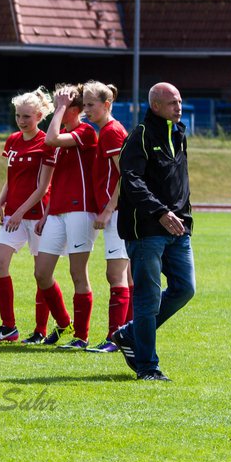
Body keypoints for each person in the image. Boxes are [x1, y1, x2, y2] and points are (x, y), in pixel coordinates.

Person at [110, 83, 195, 382]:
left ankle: (130, 334)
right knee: (148, 298)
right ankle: (148, 367)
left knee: (185, 288)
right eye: (172, 102)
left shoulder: (178, 133)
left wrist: (184, 216)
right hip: (147, 229)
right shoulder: (141, 135)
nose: (179, 106)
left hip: (179, 227)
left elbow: (179, 183)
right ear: (156, 105)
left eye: (180, 101)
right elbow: (131, 181)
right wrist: (160, 212)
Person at [0, 89, 55, 344]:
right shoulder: (12, 140)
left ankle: (40, 330)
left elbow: (43, 187)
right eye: (18, 116)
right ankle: (8, 327)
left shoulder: (47, 142)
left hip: (37, 216)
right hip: (13, 214)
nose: (21, 121)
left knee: (41, 274)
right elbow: (10, 179)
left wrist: (21, 212)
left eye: (26, 116)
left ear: (39, 116)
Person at [33, 84, 97, 348]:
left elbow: (51, 139)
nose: (57, 106)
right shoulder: (59, 135)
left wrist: (59, 108)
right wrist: (46, 213)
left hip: (81, 210)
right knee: (41, 273)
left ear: (75, 108)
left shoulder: (86, 131)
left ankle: (81, 336)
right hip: (57, 212)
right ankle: (63, 322)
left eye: (64, 102)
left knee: (77, 272)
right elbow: (53, 179)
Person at [83, 81, 133, 353]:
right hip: (120, 211)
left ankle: (115, 338)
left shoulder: (112, 132)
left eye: (91, 105)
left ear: (107, 105)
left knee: (115, 274)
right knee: (126, 275)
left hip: (118, 212)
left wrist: (108, 209)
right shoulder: (107, 131)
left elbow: (126, 175)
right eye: (85, 104)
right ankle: (128, 334)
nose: (86, 110)